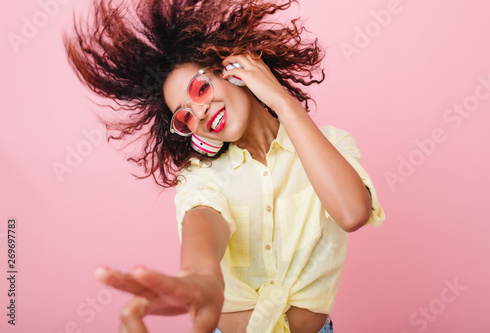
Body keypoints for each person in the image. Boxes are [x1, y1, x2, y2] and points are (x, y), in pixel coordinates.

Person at [63, 0, 386, 332]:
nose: (199, 113)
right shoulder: (202, 178)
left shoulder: (329, 145)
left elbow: (352, 213)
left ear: (233, 68)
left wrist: (281, 101)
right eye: (185, 116)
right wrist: (198, 278)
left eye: (200, 89)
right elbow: (203, 224)